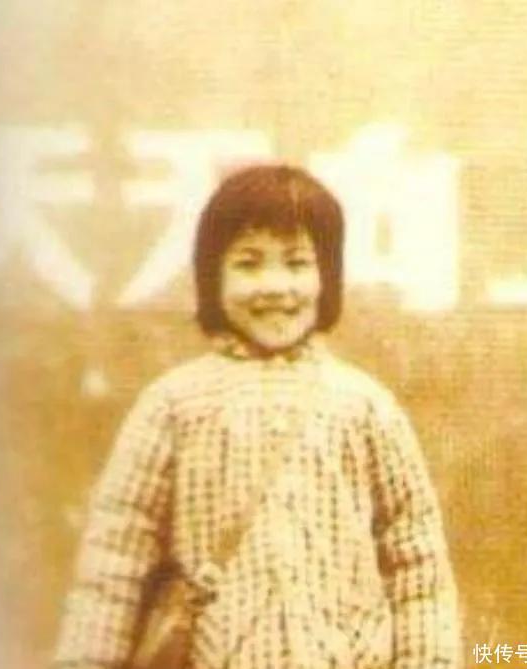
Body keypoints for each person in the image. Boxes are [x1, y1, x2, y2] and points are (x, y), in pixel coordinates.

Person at [53, 164, 460, 669]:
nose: (275, 285)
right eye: (248, 264)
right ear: (213, 276)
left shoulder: (365, 407)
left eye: (296, 263)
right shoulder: (173, 406)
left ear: (326, 276)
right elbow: (113, 565)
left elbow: (417, 563)